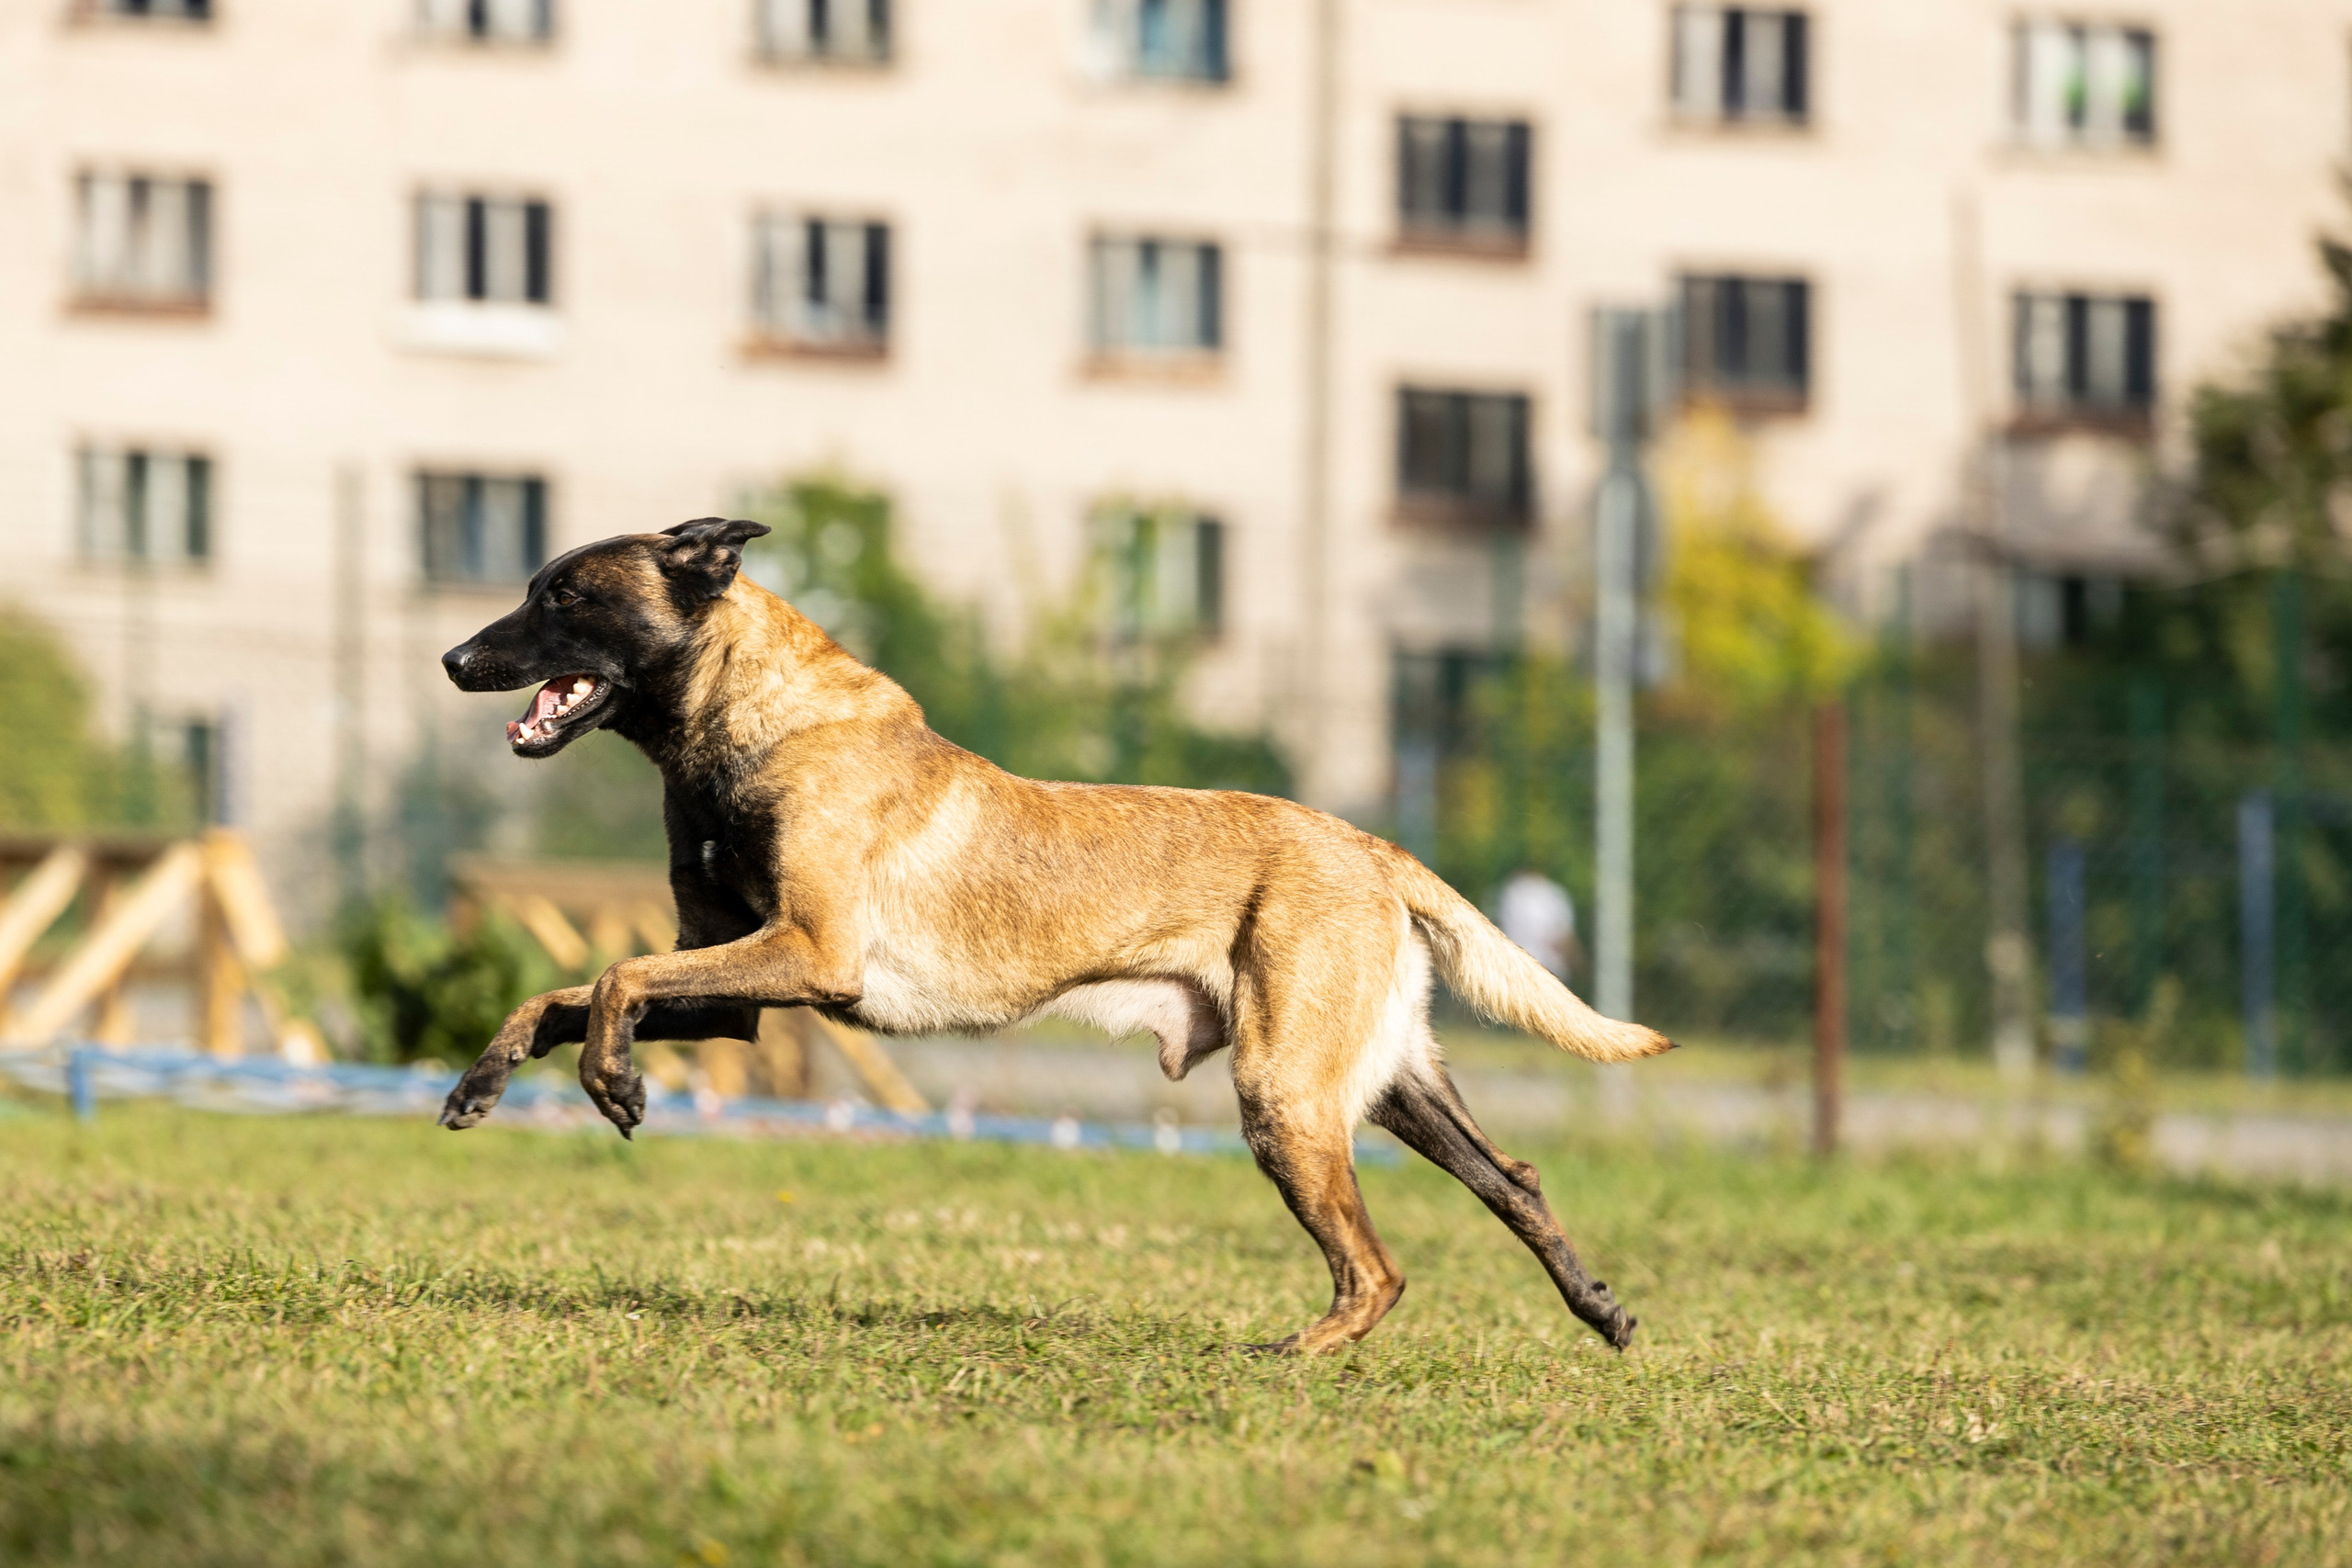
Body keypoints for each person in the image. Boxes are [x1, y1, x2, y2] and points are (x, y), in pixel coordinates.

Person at [1496, 867, 1579, 983]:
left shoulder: (1510, 891)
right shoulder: (1553, 895)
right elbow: (1560, 940)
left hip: (1515, 968)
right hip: (1548, 973)